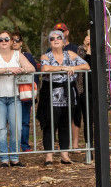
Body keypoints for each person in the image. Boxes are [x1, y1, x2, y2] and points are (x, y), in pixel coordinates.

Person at [37, 29, 86, 165]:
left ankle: (65, 156)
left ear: (64, 41)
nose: (56, 40)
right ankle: (49, 157)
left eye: (59, 37)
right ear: (50, 42)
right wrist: (64, 68)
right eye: (52, 39)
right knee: (49, 125)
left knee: (65, 125)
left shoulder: (70, 54)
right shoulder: (46, 56)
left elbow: (86, 65)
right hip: (51, 95)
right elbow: (45, 69)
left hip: (68, 94)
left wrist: (73, 69)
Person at [0, 31, 34, 167]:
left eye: (6, 39)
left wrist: (20, 70)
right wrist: (9, 69)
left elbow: (31, 67)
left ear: (11, 41)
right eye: (1, 39)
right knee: (0, 129)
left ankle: (14, 157)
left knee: (17, 127)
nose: (4, 41)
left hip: (14, 96)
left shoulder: (17, 55)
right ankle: (3, 159)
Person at [12, 32, 36, 152]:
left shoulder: (28, 56)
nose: (15, 42)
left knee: (25, 121)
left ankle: (25, 145)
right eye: (13, 40)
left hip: (25, 93)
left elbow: (34, 75)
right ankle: (14, 145)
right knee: (12, 122)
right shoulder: (7, 56)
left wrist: (34, 95)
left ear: (21, 42)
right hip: (11, 92)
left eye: (17, 40)